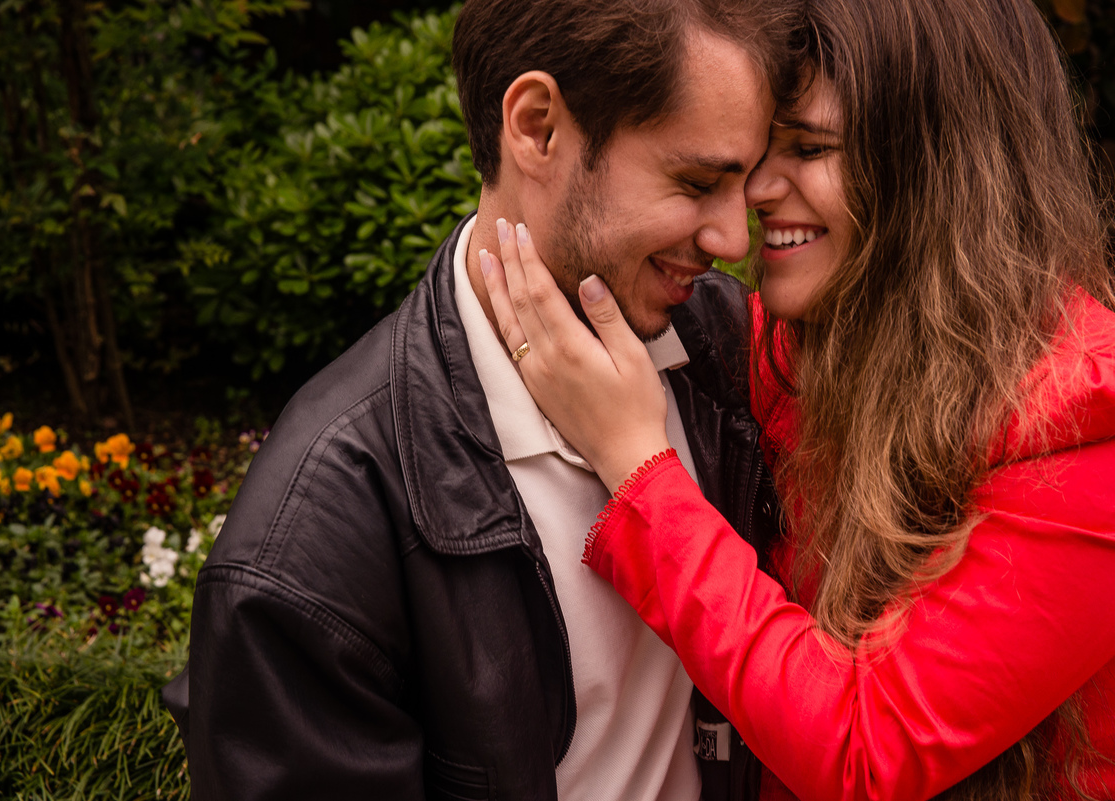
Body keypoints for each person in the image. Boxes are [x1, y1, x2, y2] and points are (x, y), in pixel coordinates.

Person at [479, 0, 1115, 799]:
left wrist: (640, 469)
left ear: (935, 167)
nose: (755, 192)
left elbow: (864, 750)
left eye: (809, 148)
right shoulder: (799, 347)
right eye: (757, 151)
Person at [161, 0, 789, 799]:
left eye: (745, 184)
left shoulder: (730, 357)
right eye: (696, 180)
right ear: (536, 127)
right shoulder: (310, 544)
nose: (736, 242)